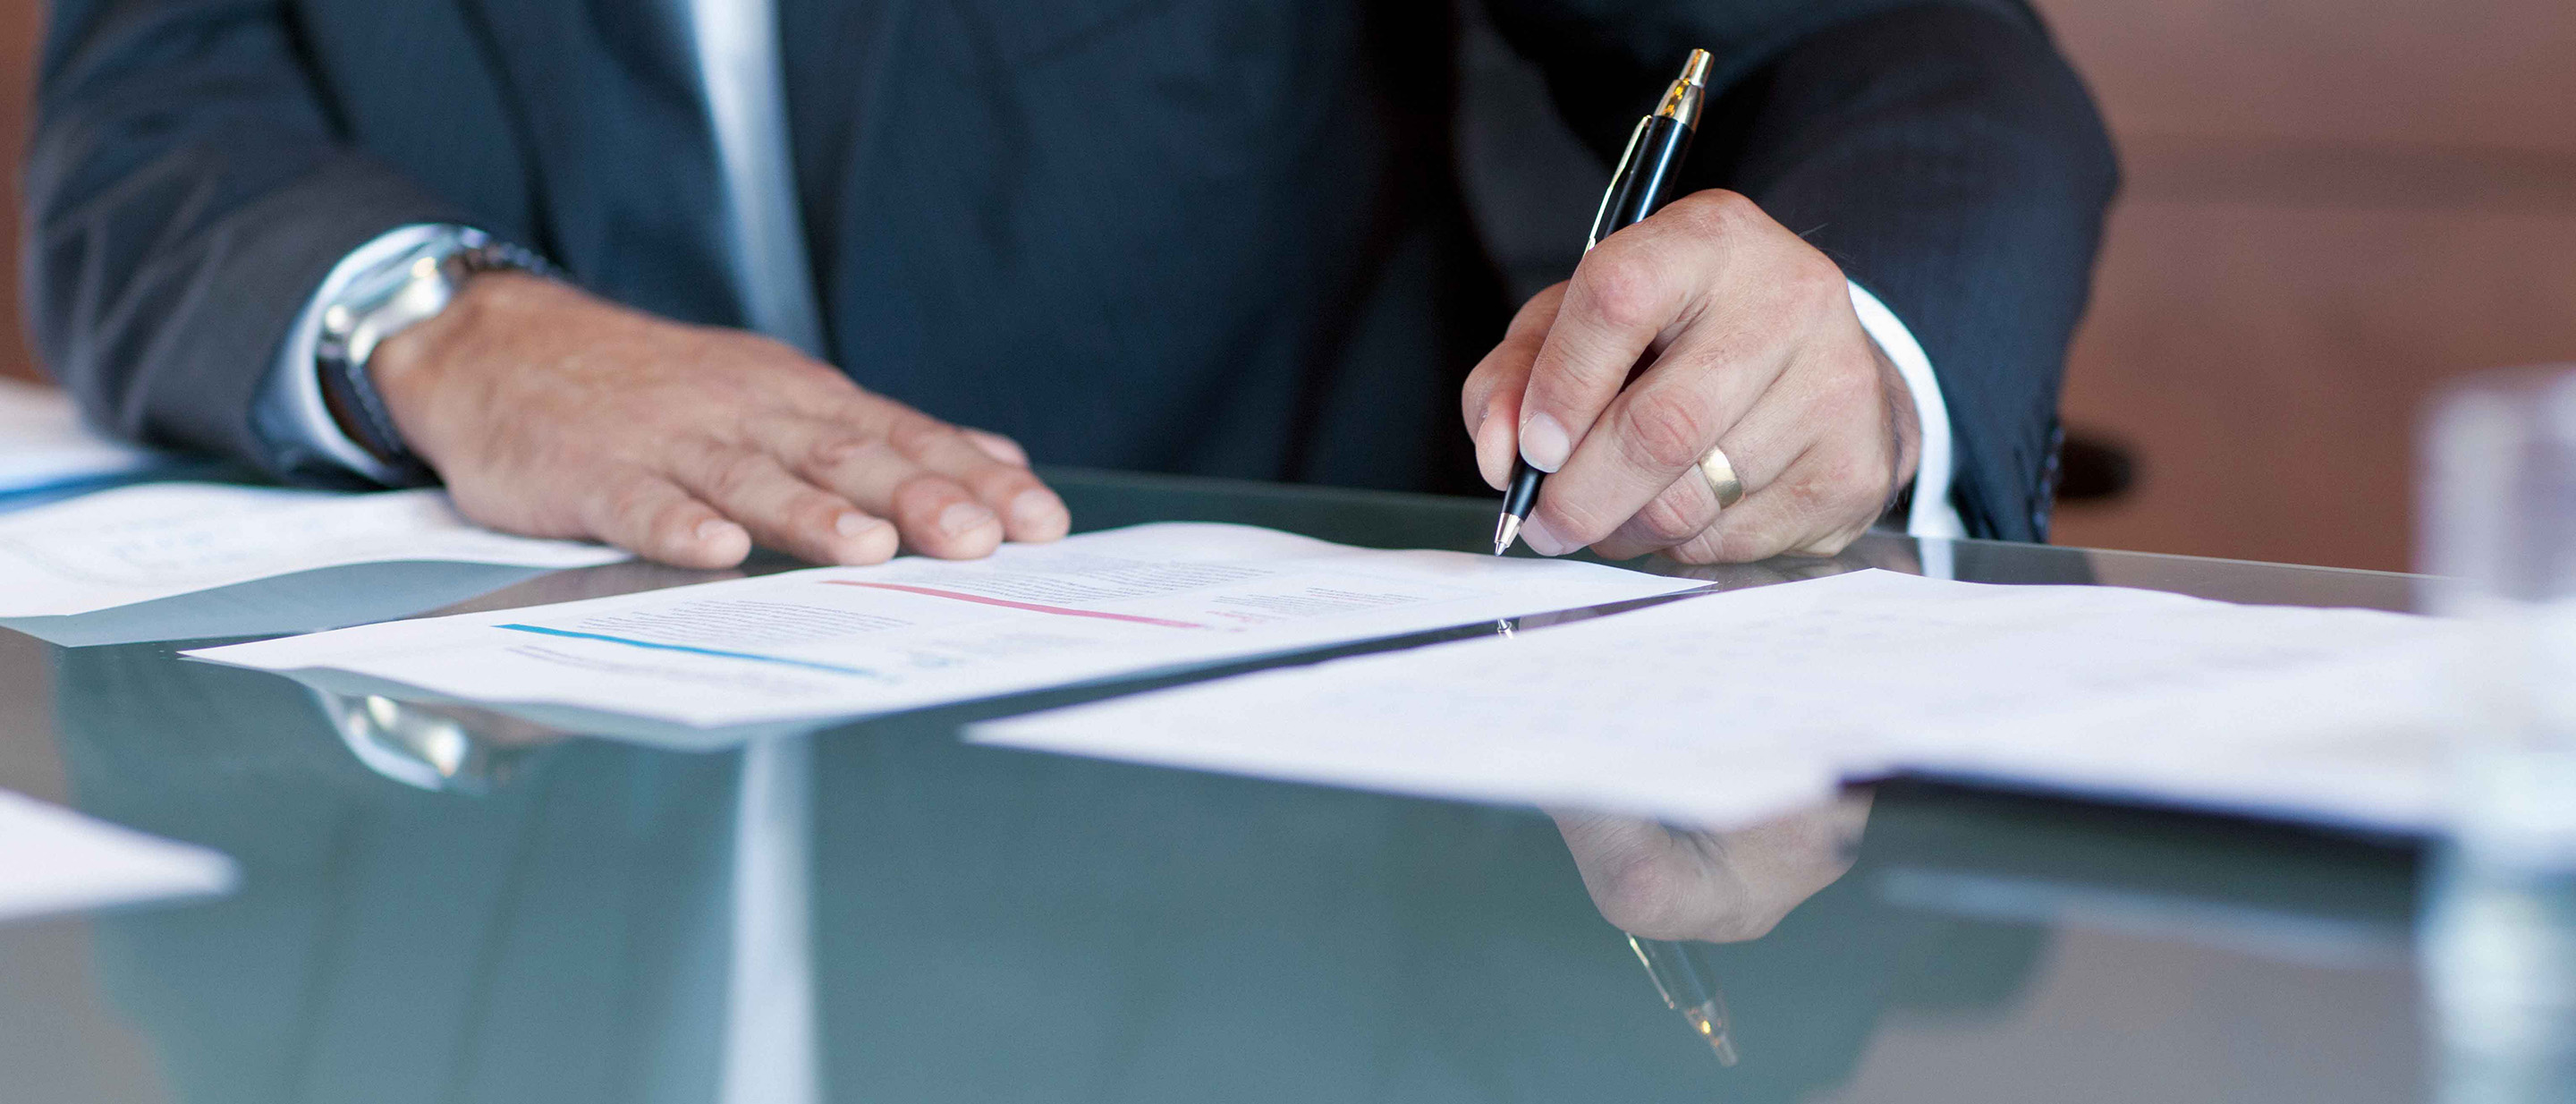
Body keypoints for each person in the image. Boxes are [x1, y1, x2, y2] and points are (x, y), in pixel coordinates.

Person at [25, 0, 2114, 568]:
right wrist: (454, 330)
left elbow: (1901, 46)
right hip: (501, 804)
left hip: (1276, 855)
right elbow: (136, 133)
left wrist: (1856, 341)